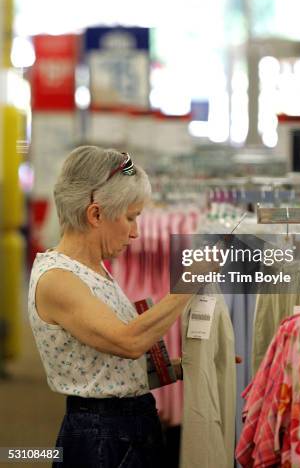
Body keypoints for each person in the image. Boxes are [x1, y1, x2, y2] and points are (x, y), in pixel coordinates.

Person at [28, 145, 198, 467]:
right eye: (130, 218)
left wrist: (185, 366)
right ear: (96, 214)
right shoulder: (58, 279)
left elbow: (108, 372)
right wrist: (188, 283)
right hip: (102, 439)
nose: (136, 233)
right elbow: (128, 342)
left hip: (123, 430)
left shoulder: (95, 270)